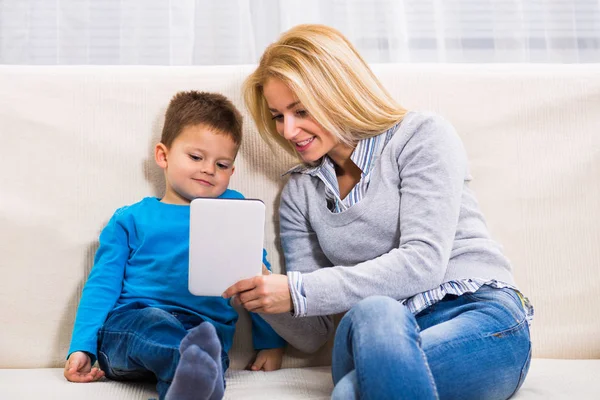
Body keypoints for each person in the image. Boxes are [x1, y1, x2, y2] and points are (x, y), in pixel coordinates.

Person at [222, 24, 533, 400]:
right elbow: (313, 334)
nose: (288, 130)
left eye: (300, 110)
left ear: (338, 93)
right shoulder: (299, 193)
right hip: (371, 334)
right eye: (277, 116)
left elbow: (424, 262)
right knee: (375, 312)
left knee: (351, 391)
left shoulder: (421, 136)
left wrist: (298, 290)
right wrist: (263, 294)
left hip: (474, 315)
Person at [64, 91, 286, 400]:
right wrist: (82, 345)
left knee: (205, 351)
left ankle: (192, 377)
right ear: (163, 156)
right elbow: (102, 285)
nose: (209, 169)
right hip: (132, 325)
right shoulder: (131, 219)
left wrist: (270, 341)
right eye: (196, 157)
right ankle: (191, 360)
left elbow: (257, 280)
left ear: (232, 172)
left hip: (205, 331)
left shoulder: (234, 210)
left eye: (222, 164)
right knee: (158, 326)